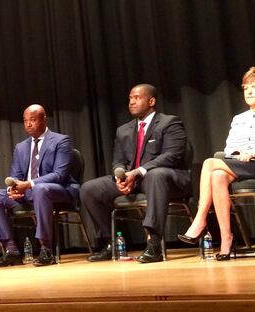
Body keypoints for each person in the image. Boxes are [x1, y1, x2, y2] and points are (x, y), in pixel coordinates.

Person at [179, 66, 255, 260]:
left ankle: (200, 220)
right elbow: (229, 148)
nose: (249, 92)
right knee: (217, 175)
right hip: (244, 166)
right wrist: (238, 153)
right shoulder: (238, 119)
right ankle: (227, 238)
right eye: (246, 88)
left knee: (210, 163)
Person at [81, 84, 189, 264]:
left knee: (156, 175)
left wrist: (138, 172)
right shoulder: (123, 130)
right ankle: (110, 243)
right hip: (133, 180)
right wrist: (120, 177)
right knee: (89, 189)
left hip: (164, 179)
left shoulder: (169, 123)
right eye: (130, 98)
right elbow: (118, 160)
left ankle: (154, 243)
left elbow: (172, 155)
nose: (131, 102)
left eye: (137, 98)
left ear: (151, 101)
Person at [0, 104, 77, 267]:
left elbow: (59, 175)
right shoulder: (21, 147)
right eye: (25, 121)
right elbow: (16, 175)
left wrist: (29, 184)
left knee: (40, 189)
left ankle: (46, 249)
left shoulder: (61, 141)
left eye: (32, 120)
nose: (28, 124)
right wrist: (13, 189)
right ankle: (11, 250)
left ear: (44, 120)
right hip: (28, 192)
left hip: (57, 190)